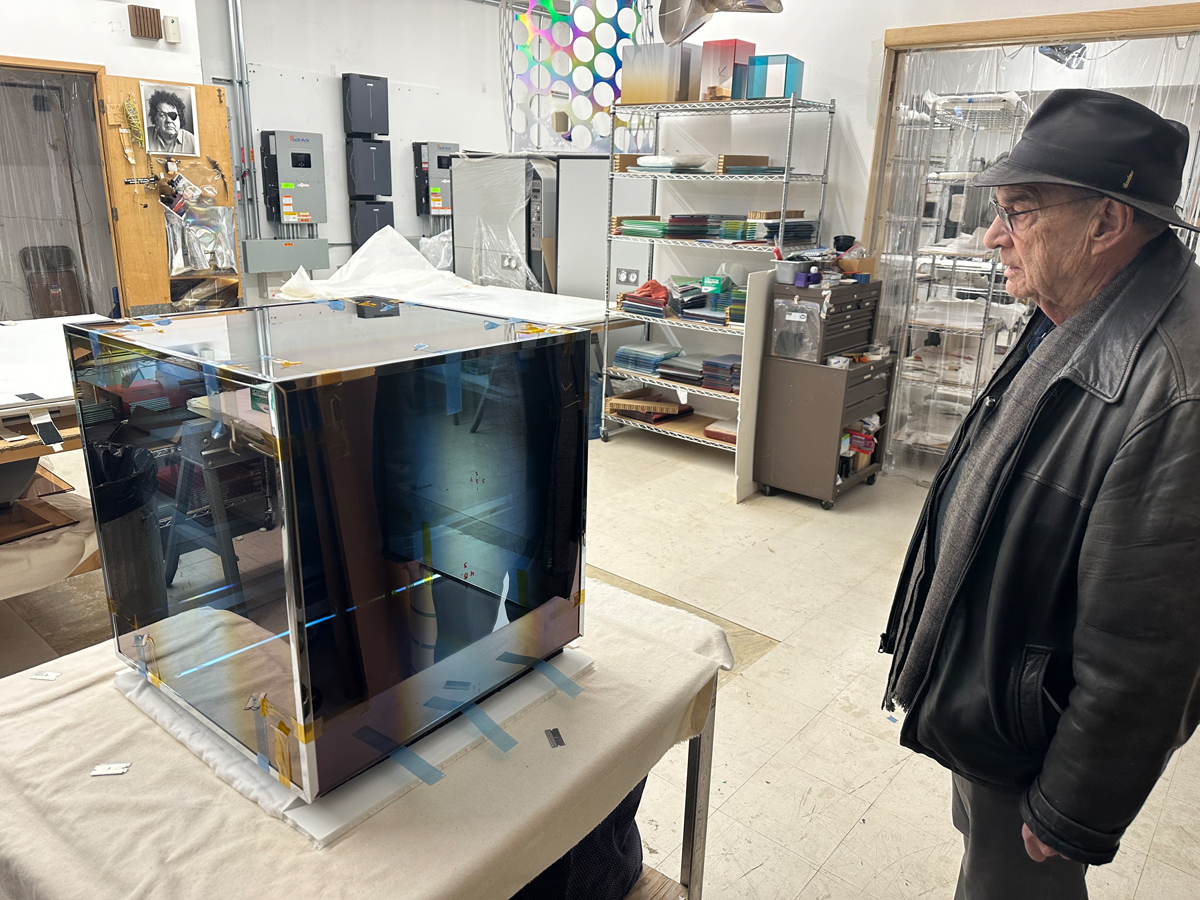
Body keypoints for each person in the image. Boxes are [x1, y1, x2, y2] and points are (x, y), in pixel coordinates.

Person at [880, 88, 1200, 899]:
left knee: (1011, 886)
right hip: (1002, 695)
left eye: (1019, 211)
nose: (994, 236)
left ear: (1106, 223)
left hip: (1042, 740)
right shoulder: (1080, 307)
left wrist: (1072, 809)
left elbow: (1151, 651)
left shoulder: (1176, 390)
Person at [146, 88, 198, 155]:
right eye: (162, 115)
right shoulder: (146, 136)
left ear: (179, 118)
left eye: (173, 115)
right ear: (155, 119)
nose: (169, 120)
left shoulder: (192, 141)